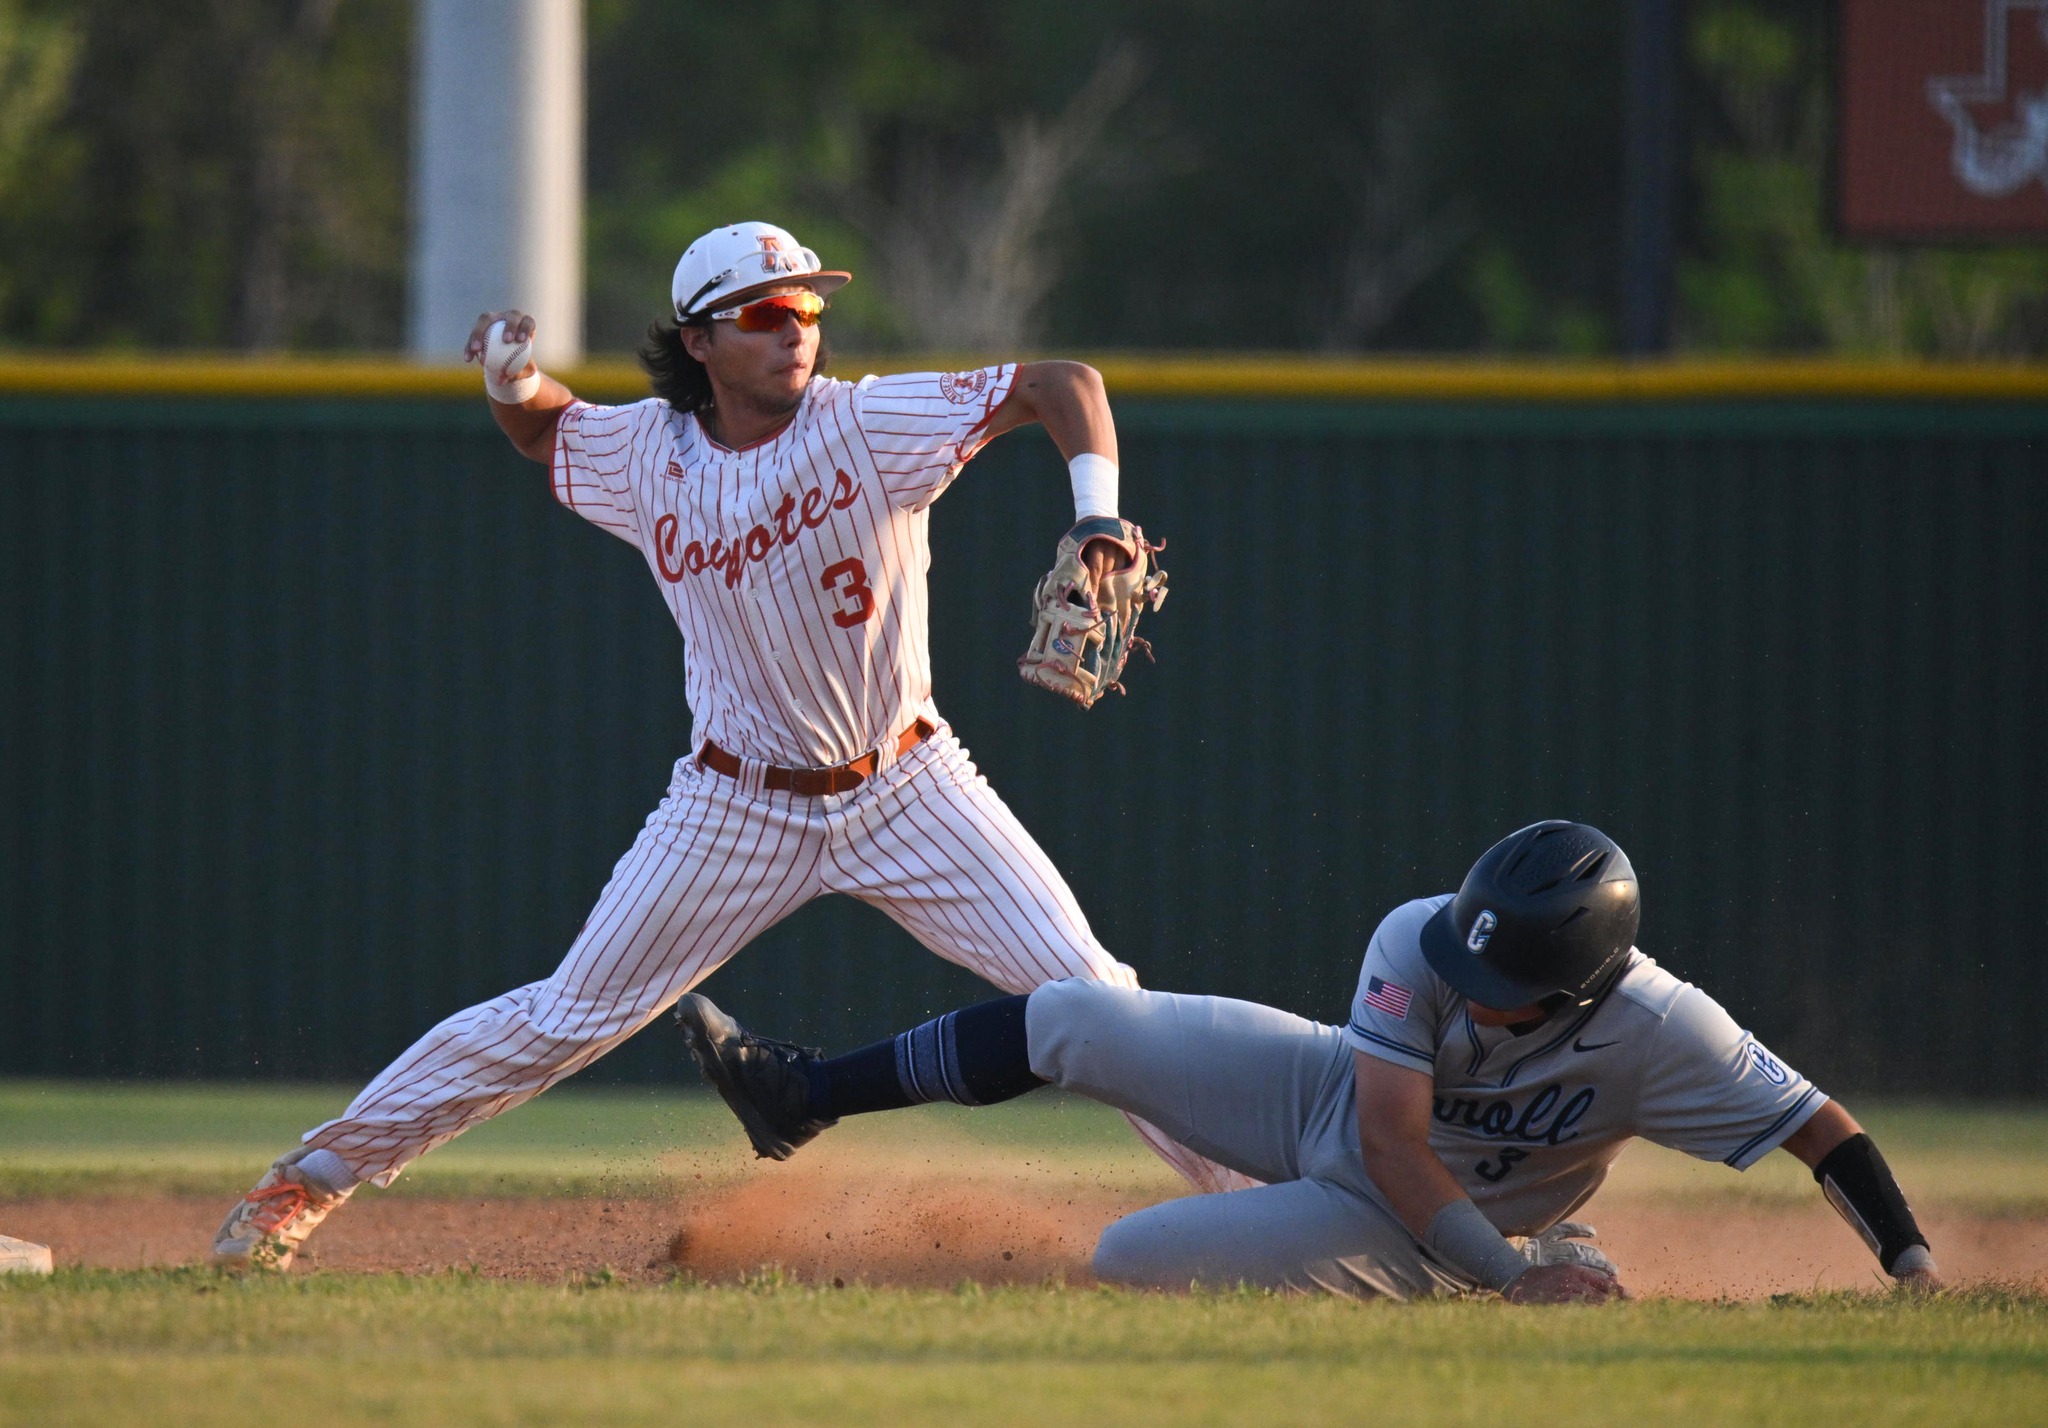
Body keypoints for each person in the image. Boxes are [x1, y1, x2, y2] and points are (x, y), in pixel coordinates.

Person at [211, 220, 1240, 1271]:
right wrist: (510, 377)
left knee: (1098, 1003)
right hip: (732, 804)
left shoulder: (869, 420)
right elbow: (545, 432)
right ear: (699, 342)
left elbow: (1060, 382)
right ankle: (303, 1183)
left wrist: (1099, 516)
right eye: (765, 313)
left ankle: (1287, 1207)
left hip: (910, 783)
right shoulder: (647, 452)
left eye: (807, 308)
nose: (796, 329)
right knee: (564, 1015)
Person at [676, 820, 1943, 1302]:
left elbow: (1819, 1128)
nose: (1471, 981)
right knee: (1075, 1016)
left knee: (1127, 1260)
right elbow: (1382, 1124)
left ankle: (1540, 1268)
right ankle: (805, 1095)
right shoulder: (1418, 939)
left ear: (1587, 986)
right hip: (1340, 1106)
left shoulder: (1667, 1030)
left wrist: (1913, 1267)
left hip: (1413, 1220)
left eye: (1506, 986)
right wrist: (1517, 1275)